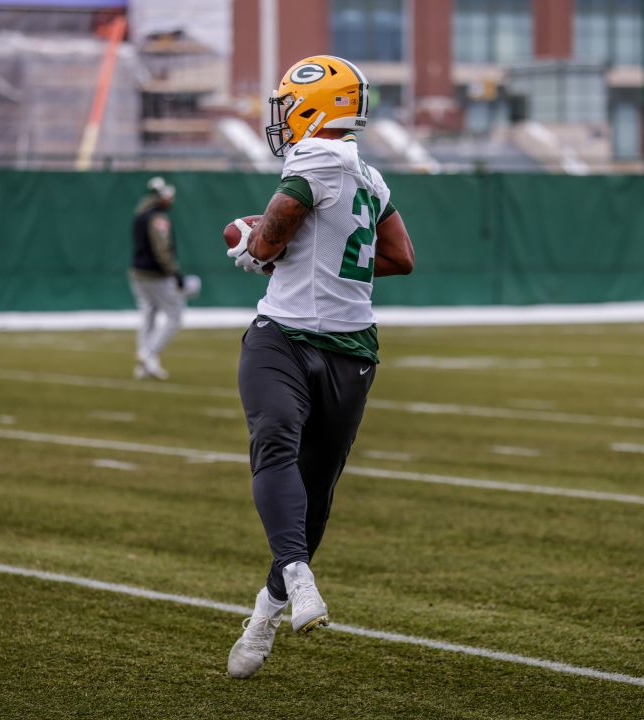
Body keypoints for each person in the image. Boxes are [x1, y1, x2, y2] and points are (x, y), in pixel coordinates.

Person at [223, 55, 415, 679]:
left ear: (317, 104)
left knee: (306, 485)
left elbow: (272, 234)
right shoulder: (369, 174)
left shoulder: (315, 158)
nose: (281, 117)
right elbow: (399, 258)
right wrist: (309, 261)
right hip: (316, 342)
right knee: (286, 456)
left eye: (288, 104)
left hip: (313, 342)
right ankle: (298, 578)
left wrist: (255, 247)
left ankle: (265, 611)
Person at [129, 176, 185, 380]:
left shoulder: (140, 213)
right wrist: (175, 272)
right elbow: (162, 249)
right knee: (175, 316)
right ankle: (148, 353)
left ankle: (144, 365)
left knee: (148, 314)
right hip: (156, 275)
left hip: (138, 273)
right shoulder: (158, 217)